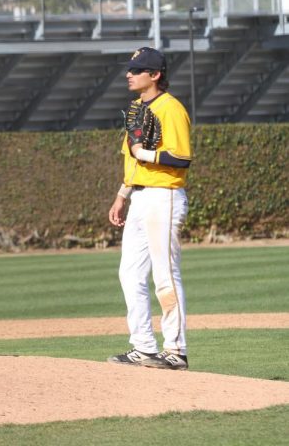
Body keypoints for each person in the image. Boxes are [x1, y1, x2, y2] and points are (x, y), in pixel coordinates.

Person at [107, 46, 192, 371]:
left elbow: (182, 157)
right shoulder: (135, 108)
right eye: (130, 69)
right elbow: (131, 157)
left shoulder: (170, 108)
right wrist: (121, 194)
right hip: (140, 197)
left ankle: (176, 350)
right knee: (129, 273)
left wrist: (147, 156)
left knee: (165, 274)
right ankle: (143, 347)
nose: (129, 74)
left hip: (164, 196)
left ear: (154, 75)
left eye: (137, 69)